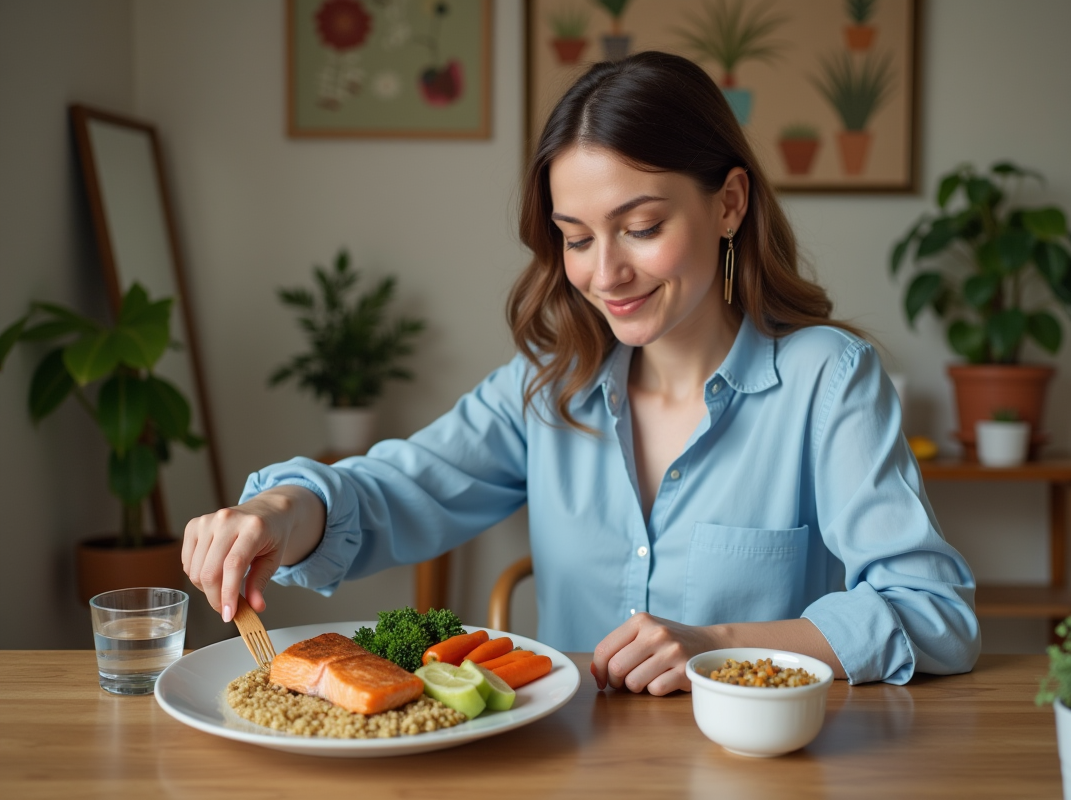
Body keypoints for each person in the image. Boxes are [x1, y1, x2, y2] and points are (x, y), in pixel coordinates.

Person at [183, 51, 980, 695]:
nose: (606, 274)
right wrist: (282, 509)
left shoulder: (828, 380)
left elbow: (932, 613)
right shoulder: (547, 386)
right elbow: (395, 491)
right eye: (577, 237)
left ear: (729, 204)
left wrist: (716, 646)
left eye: (640, 227)